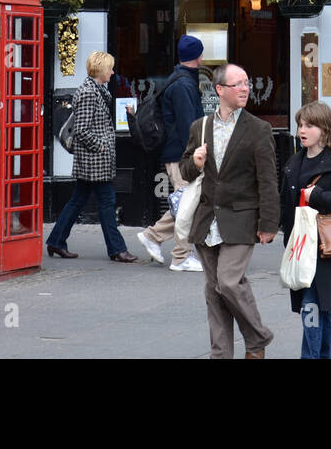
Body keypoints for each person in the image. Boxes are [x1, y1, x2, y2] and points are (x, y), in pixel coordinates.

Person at [179, 62, 279, 358]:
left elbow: (268, 179)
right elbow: (185, 172)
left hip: (242, 218)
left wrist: (269, 223)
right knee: (214, 292)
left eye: (247, 83)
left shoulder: (259, 129)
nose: (245, 88)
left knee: (228, 282)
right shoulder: (201, 127)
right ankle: (221, 354)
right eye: (238, 84)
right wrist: (195, 163)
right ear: (220, 89)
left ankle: (259, 336)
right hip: (207, 220)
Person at [279, 101, 331, 358]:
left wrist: (319, 196)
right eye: (300, 125)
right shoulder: (294, 162)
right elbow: (285, 204)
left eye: (309, 125)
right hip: (301, 248)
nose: (302, 130)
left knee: (311, 307)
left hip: (327, 248)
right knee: (318, 309)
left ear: (324, 129)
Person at [46, 51, 138, 263]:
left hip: (93, 160)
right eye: (110, 68)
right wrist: (101, 147)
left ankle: (56, 240)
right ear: (101, 70)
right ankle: (117, 249)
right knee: (107, 202)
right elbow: (81, 130)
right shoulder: (88, 93)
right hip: (94, 160)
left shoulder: (98, 91)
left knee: (78, 200)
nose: (113, 72)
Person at [135, 35, 206, 272]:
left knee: (186, 202)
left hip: (179, 153)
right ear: (198, 56)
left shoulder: (180, 80)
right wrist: (199, 151)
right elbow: (190, 124)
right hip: (181, 155)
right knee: (187, 204)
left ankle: (153, 236)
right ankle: (181, 256)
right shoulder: (184, 85)